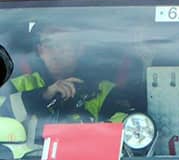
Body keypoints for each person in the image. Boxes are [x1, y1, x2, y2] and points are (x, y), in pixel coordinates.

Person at [0, 23, 139, 138]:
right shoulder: (18, 85)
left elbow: (126, 125)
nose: (56, 52)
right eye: (48, 45)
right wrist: (44, 95)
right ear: (40, 51)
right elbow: (3, 113)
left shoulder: (103, 89)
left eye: (63, 44)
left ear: (80, 49)